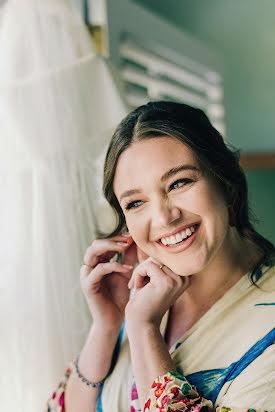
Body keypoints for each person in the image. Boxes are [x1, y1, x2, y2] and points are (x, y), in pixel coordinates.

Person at [46, 101, 275, 412]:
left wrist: (144, 332)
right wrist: (107, 326)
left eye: (179, 183)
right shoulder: (139, 295)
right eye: (136, 202)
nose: (164, 218)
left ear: (226, 186)